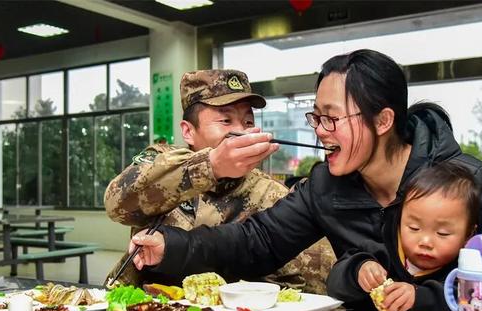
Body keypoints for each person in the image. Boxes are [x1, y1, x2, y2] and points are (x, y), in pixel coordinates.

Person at [129, 49, 482, 311]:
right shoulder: (326, 185)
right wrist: (172, 246)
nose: (321, 133)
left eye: (332, 118)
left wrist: (457, 303)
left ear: (383, 121)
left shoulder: (468, 183)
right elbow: (255, 242)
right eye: (317, 118)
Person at [104, 69, 334, 292]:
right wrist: (211, 165)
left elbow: (314, 279)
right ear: (188, 132)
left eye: (247, 122)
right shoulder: (163, 165)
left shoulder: (271, 193)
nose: (242, 132)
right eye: (225, 120)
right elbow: (117, 203)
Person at [350, 162, 479, 311]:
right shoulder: (383, 251)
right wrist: (357, 270)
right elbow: (336, 283)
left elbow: (476, 306)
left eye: (442, 233)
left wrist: (420, 297)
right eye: (414, 228)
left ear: (468, 235)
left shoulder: (468, 272)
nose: (425, 242)